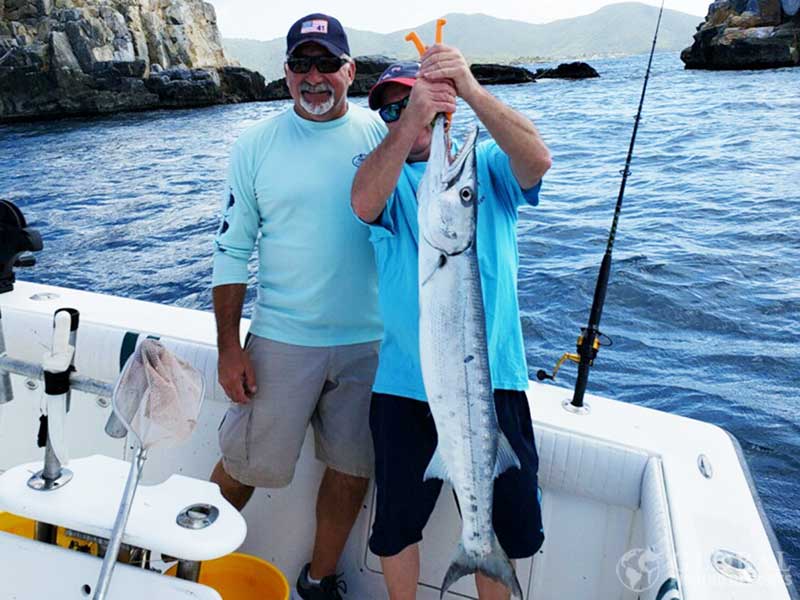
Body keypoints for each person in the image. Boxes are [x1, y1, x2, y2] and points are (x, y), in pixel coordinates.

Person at [351, 47, 551, 600]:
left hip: (495, 384)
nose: (405, 117)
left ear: (448, 109)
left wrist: (471, 88)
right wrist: (414, 118)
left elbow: (537, 159)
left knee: (502, 529)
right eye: (392, 110)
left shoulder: (483, 169)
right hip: (403, 388)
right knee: (394, 529)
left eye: (414, 103)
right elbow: (363, 202)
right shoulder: (387, 183)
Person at [211, 13, 386, 600]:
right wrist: (230, 347)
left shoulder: (378, 137)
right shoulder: (254, 144)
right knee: (243, 466)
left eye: (327, 64)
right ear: (285, 73)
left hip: (371, 344)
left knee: (352, 468)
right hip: (283, 338)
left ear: (350, 71)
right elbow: (233, 249)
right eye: (302, 64)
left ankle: (318, 580)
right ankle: (186, 560)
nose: (315, 78)